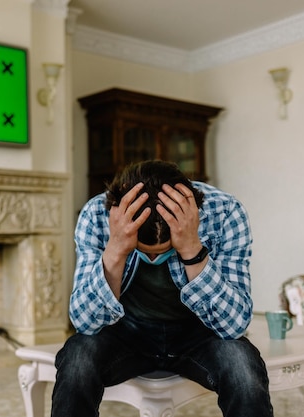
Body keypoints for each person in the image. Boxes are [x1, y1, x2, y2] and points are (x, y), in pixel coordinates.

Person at [51, 160, 273, 417]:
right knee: (77, 359)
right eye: (145, 253)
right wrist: (116, 249)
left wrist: (191, 249)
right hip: (125, 331)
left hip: (200, 332)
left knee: (242, 366)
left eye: (164, 252)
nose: (155, 260)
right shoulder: (96, 214)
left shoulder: (225, 212)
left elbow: (234, 325)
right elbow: (84, 322)